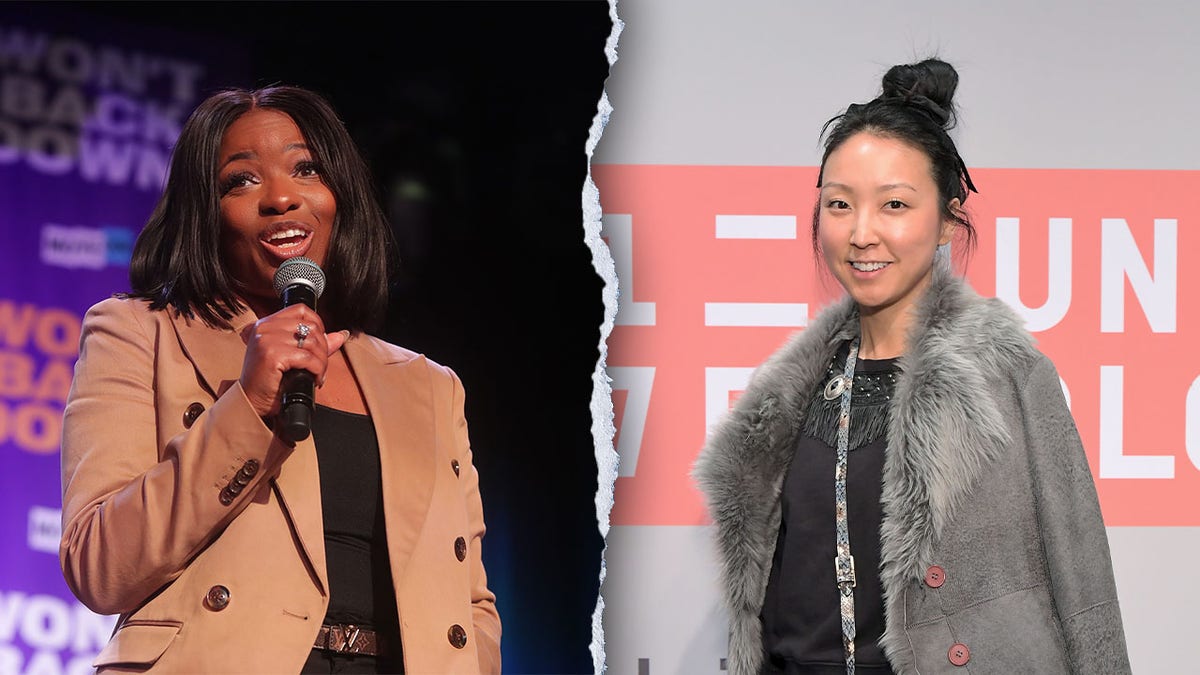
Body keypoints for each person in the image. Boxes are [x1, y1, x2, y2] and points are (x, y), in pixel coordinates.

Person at [692, 58, 1130, 675]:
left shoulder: (1007, 377)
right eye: (839, 205)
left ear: (950, 219)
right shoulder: (787, 402)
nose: (862, 233)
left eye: (894, 204)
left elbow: (1086, 597)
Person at [59, 85, 501, 674]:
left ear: (338, 194)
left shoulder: (428, 385)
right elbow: (98, 564)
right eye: (241, 181)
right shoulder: (139, 333)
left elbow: (469, 602)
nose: (282, 198)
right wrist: (247, 407)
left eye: (306, 169)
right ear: (204, 213)